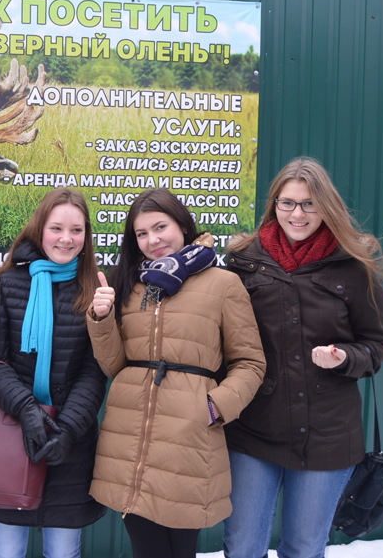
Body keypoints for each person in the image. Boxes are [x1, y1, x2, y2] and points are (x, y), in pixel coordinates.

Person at [222, 157, 383, 558]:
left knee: (303, 548)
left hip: (328, 434)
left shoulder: (353, 265)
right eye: (287, 203)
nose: (297, 214)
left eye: (308, 204)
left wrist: (345, 357)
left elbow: (377, 343)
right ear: (274, 204)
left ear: (326, 206)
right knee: (243, 547)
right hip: (254, 428)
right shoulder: (243, 260)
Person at [91, 188, 265, 558]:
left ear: (183, 225)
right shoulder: (129, 284)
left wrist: (212, 408)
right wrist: (102, 320)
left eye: (160, 227)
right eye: (141, 233)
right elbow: (115, 366)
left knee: (180, 550)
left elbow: (250, 363)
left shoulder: (223, 284)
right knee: (147, 550)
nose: (152, 240)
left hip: (188, 441)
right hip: (132, 439)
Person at [0, 188, 108, 558]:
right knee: (6, 552)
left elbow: (94, 371)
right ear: (40, 230)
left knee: (63, 552)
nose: (66, 239)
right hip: (11, 433)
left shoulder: (93, 289)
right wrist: (26, 409)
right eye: (56, 228)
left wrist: (66, 429)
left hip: (71, 443)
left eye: (76, 230)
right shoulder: (8, 283)